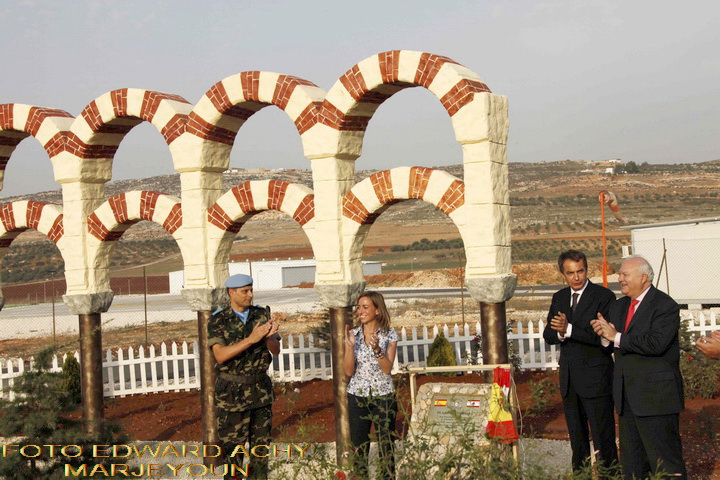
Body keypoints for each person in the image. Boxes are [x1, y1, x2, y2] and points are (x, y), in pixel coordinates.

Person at [591, 256, 687, 479]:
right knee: (633, 465)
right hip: (627, 400)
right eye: (620, 274)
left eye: (625, 274)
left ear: (643, 277)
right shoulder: (619, 305)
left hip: (657, 400)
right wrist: (605, 336)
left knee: (665, 464)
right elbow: (613, 343)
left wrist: (616, 336)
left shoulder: (665, 306)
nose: (620, 278)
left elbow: (656, 344)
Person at [542, 250, 618, 476]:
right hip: (569, 379)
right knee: (577, 440)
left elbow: (605, 339)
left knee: (603, 438)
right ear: (562, 273)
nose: (576, 277)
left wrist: (570, 329)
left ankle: (611, 476)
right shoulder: (560, 297)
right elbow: (549, 334)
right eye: (570, 273)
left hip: (596, 379)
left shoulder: (603, 296)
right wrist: (561, 333)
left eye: (580, 271)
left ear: (586, 269)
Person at [208, 274, 280, 480]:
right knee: (233, 456)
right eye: (245, 291)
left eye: (251, 290)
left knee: (261, 453)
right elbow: (220, 355)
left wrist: (269, 338)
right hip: (232, 395)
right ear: (231, 293)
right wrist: (251, 339)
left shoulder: (261, 314)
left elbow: (275, 350)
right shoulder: (218, 319)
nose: (250, 295)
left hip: (260, 393)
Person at [344, 291, 399, 480]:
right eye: (359, 307)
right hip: (357, 396)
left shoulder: (389, 335)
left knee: (386, 446)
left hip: (383, 396)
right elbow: (349, 371)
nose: (360, 311)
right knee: (359, 447)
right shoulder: (354, 335)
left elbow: (386, 369)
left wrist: (377, 350)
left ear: (377, 310)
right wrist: (350, 347)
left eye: (365, 307)